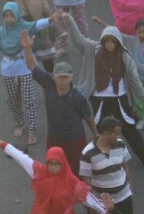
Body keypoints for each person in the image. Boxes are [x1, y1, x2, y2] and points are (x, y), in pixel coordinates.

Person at [61, 12, 144, 166]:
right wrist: (69, 20)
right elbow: (78, 39)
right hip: (99, 98)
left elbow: (135, 81)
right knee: (100, 130)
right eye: (106, 41)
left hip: (119, 98)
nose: (109, 44)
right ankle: (100, 159)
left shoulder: (125, 56)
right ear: (102, 40)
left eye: (112, 41)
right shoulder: (93, 49)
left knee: (129, 128)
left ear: (118, 42)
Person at [0, 2, 53, 145]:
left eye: (11, 15)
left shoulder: (25, 28)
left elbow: (38, 25)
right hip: (8, 70)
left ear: (17, 15)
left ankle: (32, 130)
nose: (9, 19)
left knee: (28, 100)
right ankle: (19, 123)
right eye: (6, 16)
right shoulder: (0, 33)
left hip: (25, 67)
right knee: (13, 100)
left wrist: (51, 20)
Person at [21, 36, 96, 174]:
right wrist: (27, 47)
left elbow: (88, 116)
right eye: (59, 77)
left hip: (75, 140)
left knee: (75, 172)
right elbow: (32, 66)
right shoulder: (48, 83)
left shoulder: (78, 97)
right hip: (54, 138)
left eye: (65, 77)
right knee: (54, 171)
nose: (62, 80)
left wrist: (96, 134)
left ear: (71, 78)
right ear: (53, 77)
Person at [79, 116, 135, 214]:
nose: (118, 137)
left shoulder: (120, 145)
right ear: (106, 133)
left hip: (124, 197)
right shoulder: (87, 153)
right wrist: (93, 204)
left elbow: (126, 167)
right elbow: (86, 181)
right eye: (116, 134)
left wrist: (129, 188)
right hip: (102, 203)